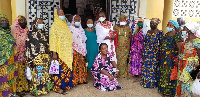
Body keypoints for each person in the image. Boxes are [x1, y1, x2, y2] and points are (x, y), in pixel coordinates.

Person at [25, 18, 52, 96]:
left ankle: (44, 89)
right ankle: (36, 90)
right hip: (35, 57)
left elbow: (47, 45)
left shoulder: (44, 34)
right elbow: (28, 47)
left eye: (42, 22)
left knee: (45, 73)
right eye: (39, 22)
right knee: (37, 73)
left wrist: (49, 55)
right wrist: (28, 59)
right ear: (35, 24)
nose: (41, 24)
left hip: (45, 56)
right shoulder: (30, 34)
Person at [49, 8, 74, 95]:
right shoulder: (54, 26)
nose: (62, 14)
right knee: (59, 71)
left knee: (65, 70)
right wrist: (54, 53)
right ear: (56, 15)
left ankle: (64, 86)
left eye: (63, 13)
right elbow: (52, 40)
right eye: (60, 13)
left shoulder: (65, 25)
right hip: (59, 53)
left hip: (66, 52)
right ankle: (57, 87)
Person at [158, 20, 182, 97]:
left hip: (171, 60)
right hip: (163, 59)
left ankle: (170, 92)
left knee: (169, 75)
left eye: (171, 25)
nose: (169, 26)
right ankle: (163, 91)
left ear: (174, 27)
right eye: (168, 24)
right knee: (163, 74)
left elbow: (180, 48)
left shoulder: (177, 35)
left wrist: (178, 59)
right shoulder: (166, 34)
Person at [176, 21, 200, 97]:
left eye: (185, 28)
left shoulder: (197, 41)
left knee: (187, 86)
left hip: (190, 68)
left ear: (189, 30)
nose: (183, 29)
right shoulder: (185, 40)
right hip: (182, 66)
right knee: (180, 84)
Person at [141, 18, 163, 88]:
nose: (151, 25)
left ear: (157, 24)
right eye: (151, 23)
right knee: (145, 67)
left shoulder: (159, 33)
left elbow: (161, 43)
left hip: (154, 53)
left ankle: (152, 84)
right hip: (146, 52)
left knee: (152, 68)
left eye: (153, 23)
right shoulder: (148, 31)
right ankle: (145, 82)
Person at [11, 15, 29, 97]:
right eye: (21, 20)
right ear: (18, 22)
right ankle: (18, 90)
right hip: (15, 55)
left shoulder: (26, 29)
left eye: (24, 20)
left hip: (24, 54)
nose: (23, 21)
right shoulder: (13, 29)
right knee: (16, 72)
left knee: (23, 72)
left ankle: (23, 88)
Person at [0, 14, 18, 97]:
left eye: (5, 21)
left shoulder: (9, 34)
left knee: (10, 77)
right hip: (2, 61)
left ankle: (10, 93)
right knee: (3, 78)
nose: (4, 22)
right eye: (2, 21)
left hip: (11, 60)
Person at [69, 15, 87, 85]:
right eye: (76, 20)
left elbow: (84, 39)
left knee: (82, 64)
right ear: (73, 20)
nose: (77, 21)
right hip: (75, 50)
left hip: (82, 50)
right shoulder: (70, 29)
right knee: (76, 65)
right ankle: (76, 80)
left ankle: (82, 79)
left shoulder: (81, 30)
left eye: (78, 20)